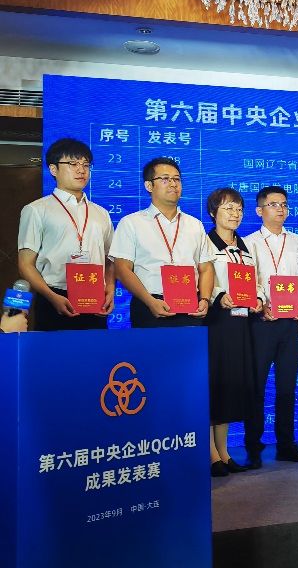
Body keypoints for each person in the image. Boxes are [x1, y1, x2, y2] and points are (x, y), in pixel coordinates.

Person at [243, 186, 298, 466]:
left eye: (284, 204)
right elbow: (246, 282)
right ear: (259, 210)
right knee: (256, 386)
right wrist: (261, 306)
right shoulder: (248, 243)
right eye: (273, 204)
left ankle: (286, 444)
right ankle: (253, 446)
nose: (280, 209)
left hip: (292, 324)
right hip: (262, 322)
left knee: (287, 386)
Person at [18, 138, 114, 330]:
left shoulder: (101, 213)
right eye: (73, 164)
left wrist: (110, 289)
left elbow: (110, 259)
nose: (81, 170)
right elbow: (25, 264)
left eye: (85, 164)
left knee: (95, 348)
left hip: (95, 297)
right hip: (54, 297)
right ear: (53, 169)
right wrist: (51, 297)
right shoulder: (36, 210)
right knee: (55, 349)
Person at [110, 157, 214, 328]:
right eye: (165, 179)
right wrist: (149, 301)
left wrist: (204, 299)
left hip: (190, 307)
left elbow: (206, 267)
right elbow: (122, 269)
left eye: (177, 179)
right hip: (149, 306)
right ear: (149, 186)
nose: (173, 184)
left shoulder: (195, 224)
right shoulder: (131, 223)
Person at [203, 188, 261, 477]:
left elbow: (256, 281)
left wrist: (259, 298)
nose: (235, 214)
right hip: (216, 320)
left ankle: (224, 452)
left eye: (238, 209)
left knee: (229, 386)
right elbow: (202, 277)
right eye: (228, 208)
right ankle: (210, 454)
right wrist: (218, 296)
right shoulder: (205, 242)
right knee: (213, 384)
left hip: (240, 322)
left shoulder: (244, 246)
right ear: (213, 212)